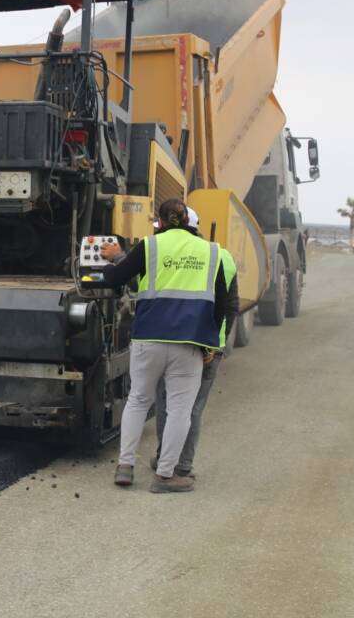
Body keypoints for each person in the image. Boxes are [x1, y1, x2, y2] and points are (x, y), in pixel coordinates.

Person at [98, 198, 235, 493]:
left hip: (148, 338)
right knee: (179, 411)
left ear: (159, 222)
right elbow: (223, 303)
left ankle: (125, 466)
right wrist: (210, 343)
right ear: (187, 221)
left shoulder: (150, 246)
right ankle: (165, 476)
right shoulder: (212, 252)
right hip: (189, 343)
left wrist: (108, 265)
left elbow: (117, 279)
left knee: (138, 400)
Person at [150, 207, 239, 481]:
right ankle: (181, 465)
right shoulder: (220, 256)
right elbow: (231, 306)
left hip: (172, 340)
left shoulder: (161, 253)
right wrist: (213, 345)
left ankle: (169, 459)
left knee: (168, 404)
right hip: (207, 344)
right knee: (192, 407)